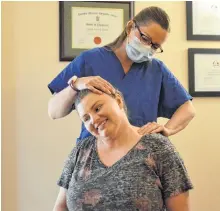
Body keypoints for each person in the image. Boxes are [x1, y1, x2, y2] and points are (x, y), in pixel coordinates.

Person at [48, 6, 195, 142]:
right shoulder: (90, 60)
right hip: (94, 155)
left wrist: (167, 129)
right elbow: (54, 112)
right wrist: (76, 85)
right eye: (145, 38)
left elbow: (188, 109)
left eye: (155, 46)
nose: (148, 47)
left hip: (138, 154)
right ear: (130, 27)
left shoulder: (156, 70)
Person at [53, 89, 193, 211]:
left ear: (118, 101)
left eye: (97, 108)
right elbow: (60, 207)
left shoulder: (158, 147)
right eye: (86, 118)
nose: (94, 120)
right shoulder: (81, 151)